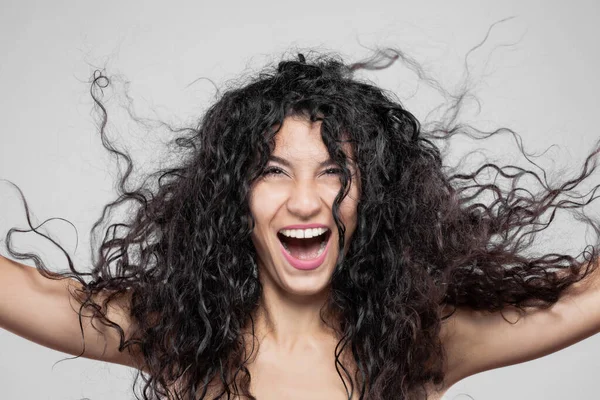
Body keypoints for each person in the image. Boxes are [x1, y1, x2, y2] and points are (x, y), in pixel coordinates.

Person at [1, 49, 599, 400]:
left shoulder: (419, 342)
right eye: (274, 172)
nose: (308, 202)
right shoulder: (181, 337)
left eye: (335, 171)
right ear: (233, 198)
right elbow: (21, 293)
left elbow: (583, 297)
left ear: (372, 197)